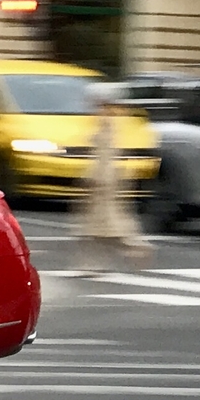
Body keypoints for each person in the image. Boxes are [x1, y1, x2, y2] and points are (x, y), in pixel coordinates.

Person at [78, 85, 152, 275]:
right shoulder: (114, 120)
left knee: (107, 221)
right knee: (104, 222)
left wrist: (95, 177)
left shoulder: (107, 122)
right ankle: (99, 260)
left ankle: (133, 247)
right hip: (111, 176)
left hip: (106, 177)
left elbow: (105, 153)